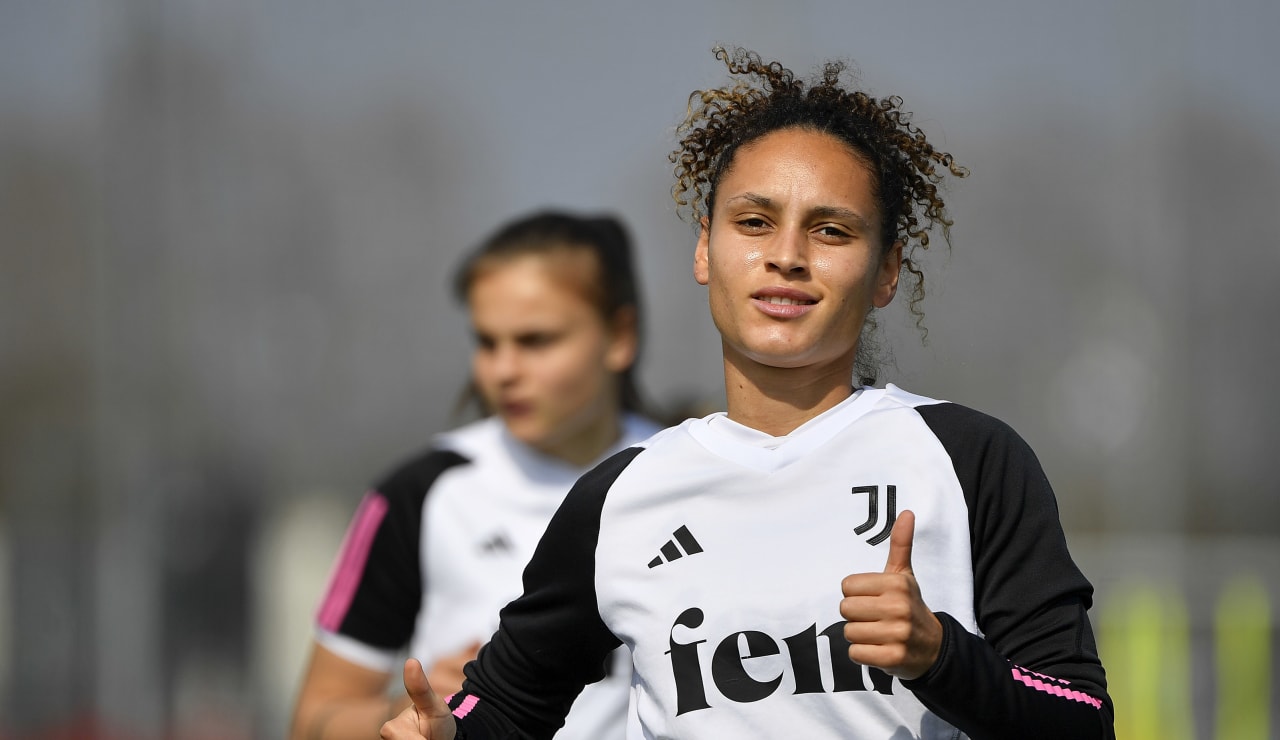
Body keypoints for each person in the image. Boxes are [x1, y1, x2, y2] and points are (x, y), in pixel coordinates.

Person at [380, 46, 1115, 740]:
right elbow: (505, 710)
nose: (787, 257)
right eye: (755, 222)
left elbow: (1084, 719)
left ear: (887, 270)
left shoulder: (970, 458)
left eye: (831, 230)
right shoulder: (620, 497)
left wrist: (942, 657)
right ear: (706, 248)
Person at [290, 211, 662, 740]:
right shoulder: (421, 492)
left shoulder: (687, 474)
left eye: (535, 340)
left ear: (619, 336)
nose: (503, 370)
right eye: (487, 342)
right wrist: (410, 711)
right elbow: (310, 722)